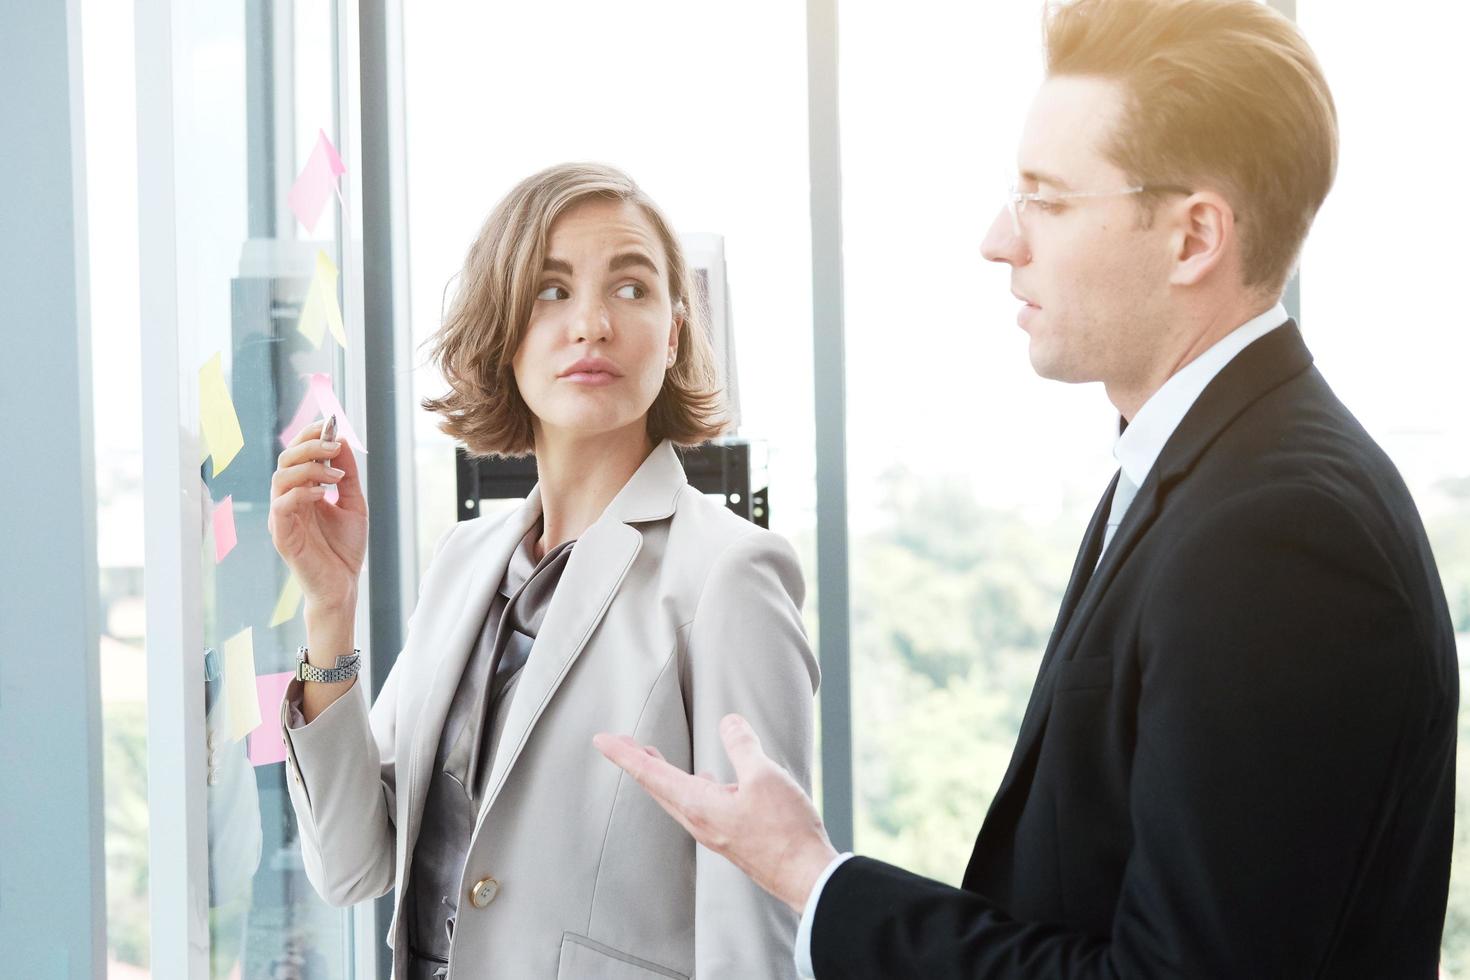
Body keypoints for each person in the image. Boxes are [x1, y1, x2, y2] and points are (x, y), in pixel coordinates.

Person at [596, 1, 1459, 976]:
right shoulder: (1207, 475)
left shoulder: (1277, 537)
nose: (1000, 238)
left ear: (1193, 238)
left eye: (1046, 199)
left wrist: (810, 874)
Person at [268, 162, 819, 979]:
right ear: (504, 329)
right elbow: (354, 863)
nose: (592, 323)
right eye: (551, 291)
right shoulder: (464, 562)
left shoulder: (729, 573)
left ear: (673, 332)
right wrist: (330, 607)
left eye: (631, 289)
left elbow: (756, 933)